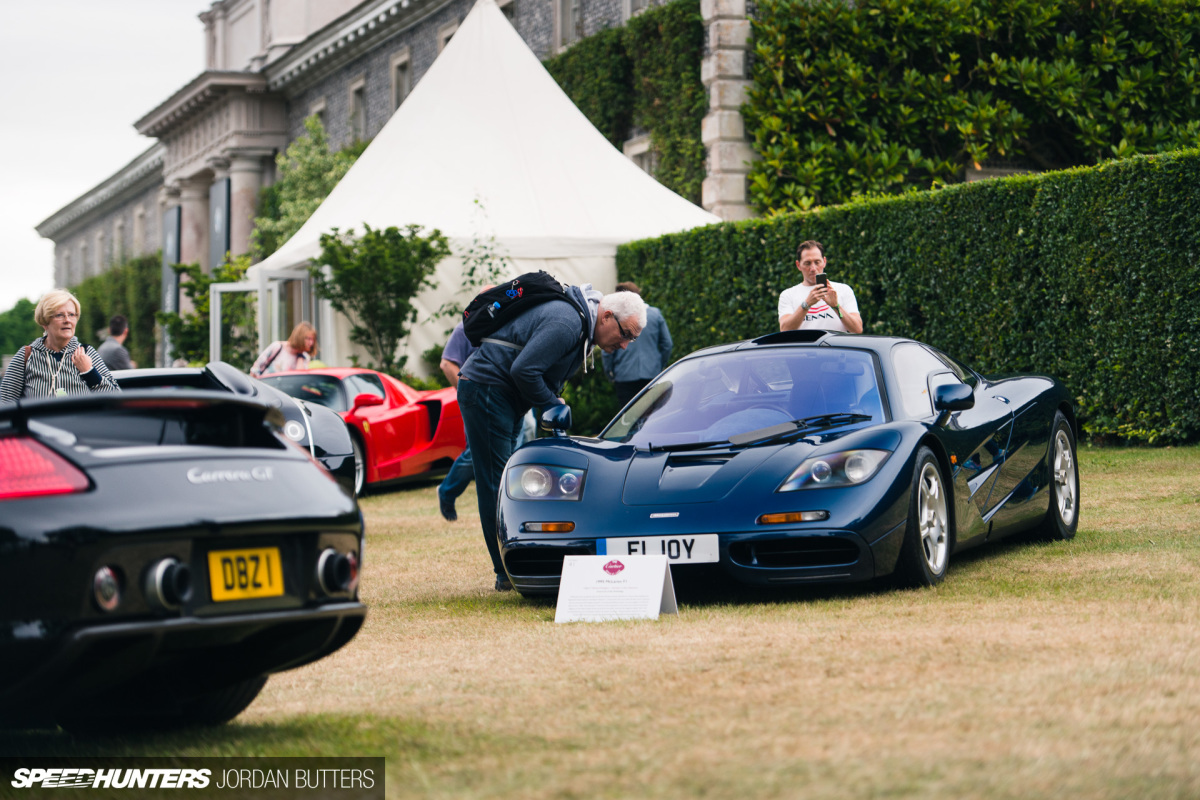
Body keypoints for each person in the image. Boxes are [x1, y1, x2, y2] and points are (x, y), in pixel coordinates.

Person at [457, 284, 647, 591]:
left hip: (503, 395)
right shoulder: (568, 322)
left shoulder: (580, 325)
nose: (625, 345)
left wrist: (550, 400)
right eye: (626, 334)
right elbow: (524, 370)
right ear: (607, 316)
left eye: (632, 339)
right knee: (496, 483)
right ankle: (505, 573)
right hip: (487, 390)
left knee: (509, 482)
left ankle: (518, 562)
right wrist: (552, 403)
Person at [0, 289, 120, 402]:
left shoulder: (87, 353)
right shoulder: (26, 355)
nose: (67, 320)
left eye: (72, 314)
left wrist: (89, 372)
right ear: (45, 322)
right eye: (59, 315)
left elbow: (116, 399)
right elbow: (5, 403)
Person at [601, 282, 673, 406]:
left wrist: (610, 372)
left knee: (628, 415)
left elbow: (607, 349)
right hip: (652, 374)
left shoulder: (616, 317)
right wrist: (659, 366)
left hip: (624, 375)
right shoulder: (655, 314)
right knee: (652, 413)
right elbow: (667, 344)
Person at [436, 320, 479, 522]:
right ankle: (447, 491)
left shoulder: (505, 323)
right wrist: (467, 393)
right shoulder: (466, 328)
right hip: (477, 402)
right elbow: (446, 364)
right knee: (476, 453)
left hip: (509, 400)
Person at [778, 240, 863, 334]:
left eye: (817, 262)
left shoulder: (843, 290)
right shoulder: (788, 295)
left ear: (824, 262)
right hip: (804, 344)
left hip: (835, 344)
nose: (813, 268)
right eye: (807, 263)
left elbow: (857, 329)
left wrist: (836, 306)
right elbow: (785, 330)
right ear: (798, 265)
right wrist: (806, 304)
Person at [249, 321, 318, 377]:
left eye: (313, 339)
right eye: (308, 339)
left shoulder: (305, 357)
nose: (311, 343)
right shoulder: (278, 347)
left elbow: (299, 378)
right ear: (299, 337)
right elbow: (256, 368)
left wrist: (300, 357)